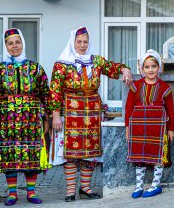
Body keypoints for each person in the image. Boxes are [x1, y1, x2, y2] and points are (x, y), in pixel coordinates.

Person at [50, 26, 132, 202]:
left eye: (85, 41)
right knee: (69, 153)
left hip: (92, 112)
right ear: (72, 42)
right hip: (69, 111)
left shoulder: (96, 61)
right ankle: (70, 190)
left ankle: (85, 188)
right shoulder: (62, 64)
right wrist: (56, 115)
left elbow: (112, 68)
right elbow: (55, 91)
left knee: (90, 151)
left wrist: (125, 69)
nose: (82, 45)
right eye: (79, 41)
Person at [0, 28, 51, 206]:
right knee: (10, 156)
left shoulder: (35, 68)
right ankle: (12, 194)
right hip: (6, 122)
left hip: (31, 120)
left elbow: (46, 94)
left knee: (31, 154)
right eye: (10, 43)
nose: (14, 46)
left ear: (23, 44)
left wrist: (46, 118)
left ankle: (31, 192)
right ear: (6, 46)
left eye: (17, 42)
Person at [125, 49, 174, 198]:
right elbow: (128, 108)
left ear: (159, 68)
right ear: (142, 68)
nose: (150, 70)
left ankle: (155, 185)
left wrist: (171, 129)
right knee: (139, 157)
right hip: (138, 127)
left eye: (153, 66)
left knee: (157, 157)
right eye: (147, 67)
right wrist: (128, 127)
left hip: (158, 127)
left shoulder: (165, 87)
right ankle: (139, 186)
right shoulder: (135, 86)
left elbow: (170, 110)